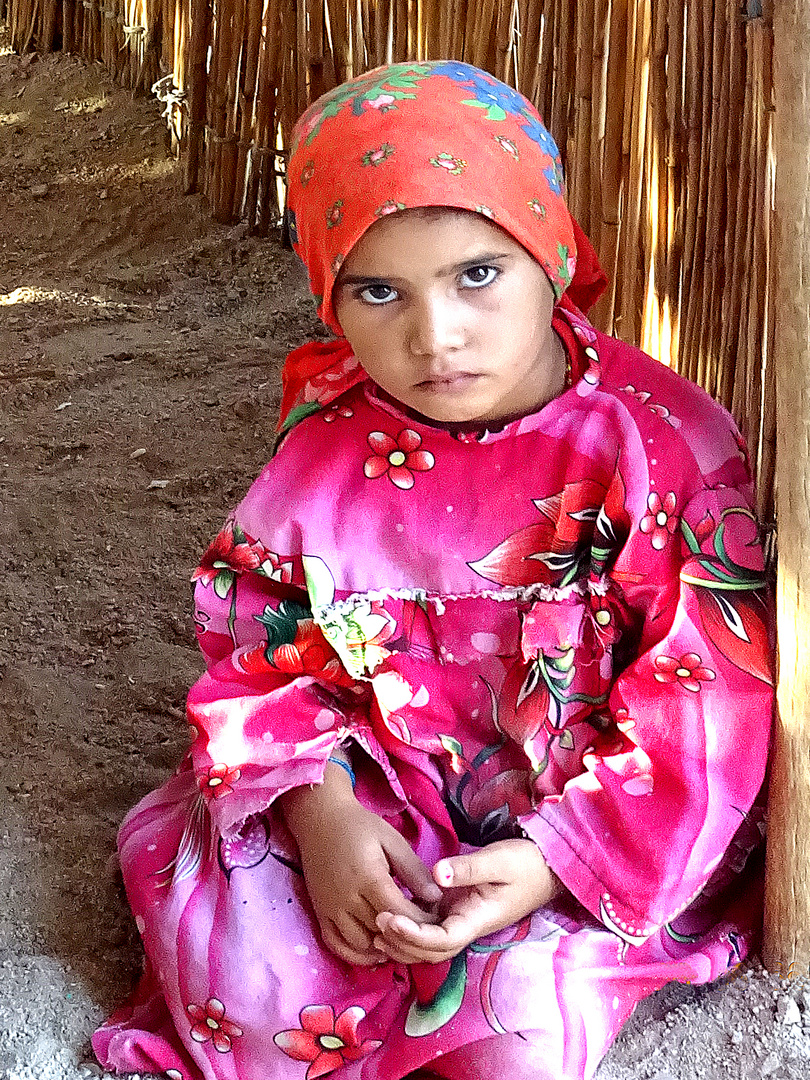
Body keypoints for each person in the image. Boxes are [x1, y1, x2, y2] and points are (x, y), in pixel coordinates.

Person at [93, 61, 774, 1080]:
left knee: (517, 1039)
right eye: (378, 291)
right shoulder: (327, 449)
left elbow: (708, 700)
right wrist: (320, 814)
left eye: (477, 275)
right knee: (239, 948)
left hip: (583, 824)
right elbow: (260, 647)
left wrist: (550, 864)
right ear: (329, 292)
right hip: (380, 802)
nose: (434, 336)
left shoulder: (662, 446)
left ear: (549, 250)